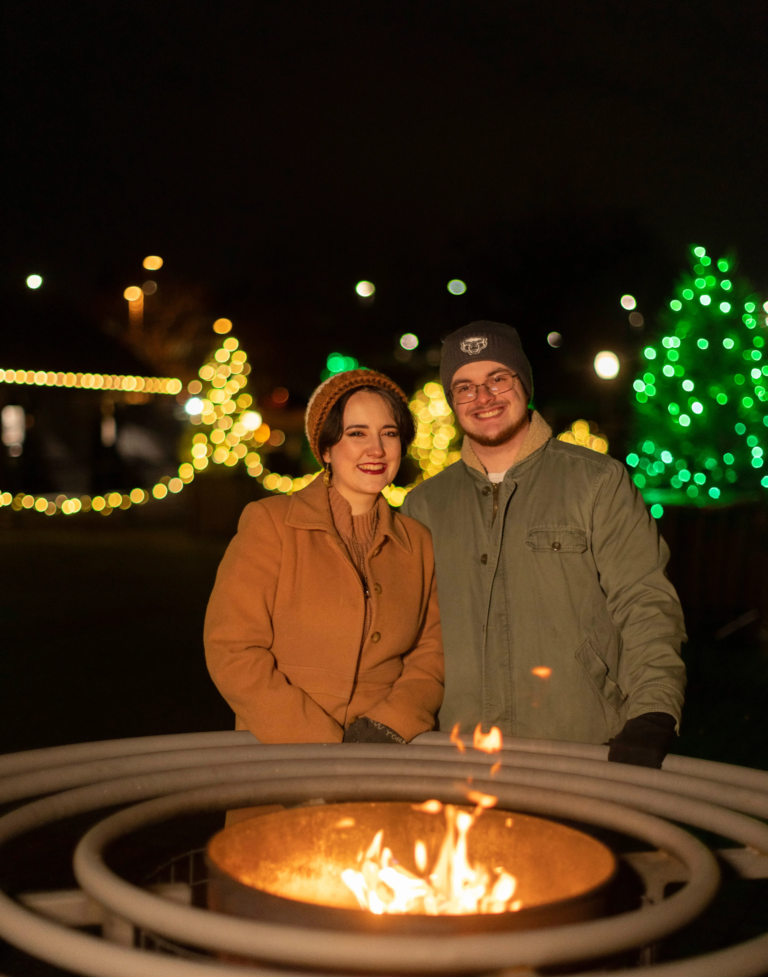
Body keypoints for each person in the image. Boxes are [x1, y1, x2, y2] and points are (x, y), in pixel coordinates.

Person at [402, 320, 686, 768]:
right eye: (465, 387)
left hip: (580, 749)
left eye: (498, 378)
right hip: (459, 759)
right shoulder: (424, 506)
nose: (484, 398)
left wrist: (653, 710)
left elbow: (645, 602)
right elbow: (407, 634)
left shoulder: (596, 482)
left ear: (524, 383)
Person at [204, 368, 443, 748]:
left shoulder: (419, 542)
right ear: (327, 447)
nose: (376, 449)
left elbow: (431, 655)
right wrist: (319, 748)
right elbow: (232, 649)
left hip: (385, 765)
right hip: (281, 756)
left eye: (389, 433)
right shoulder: (271, 524)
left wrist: (391, 725)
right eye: (357, 433)